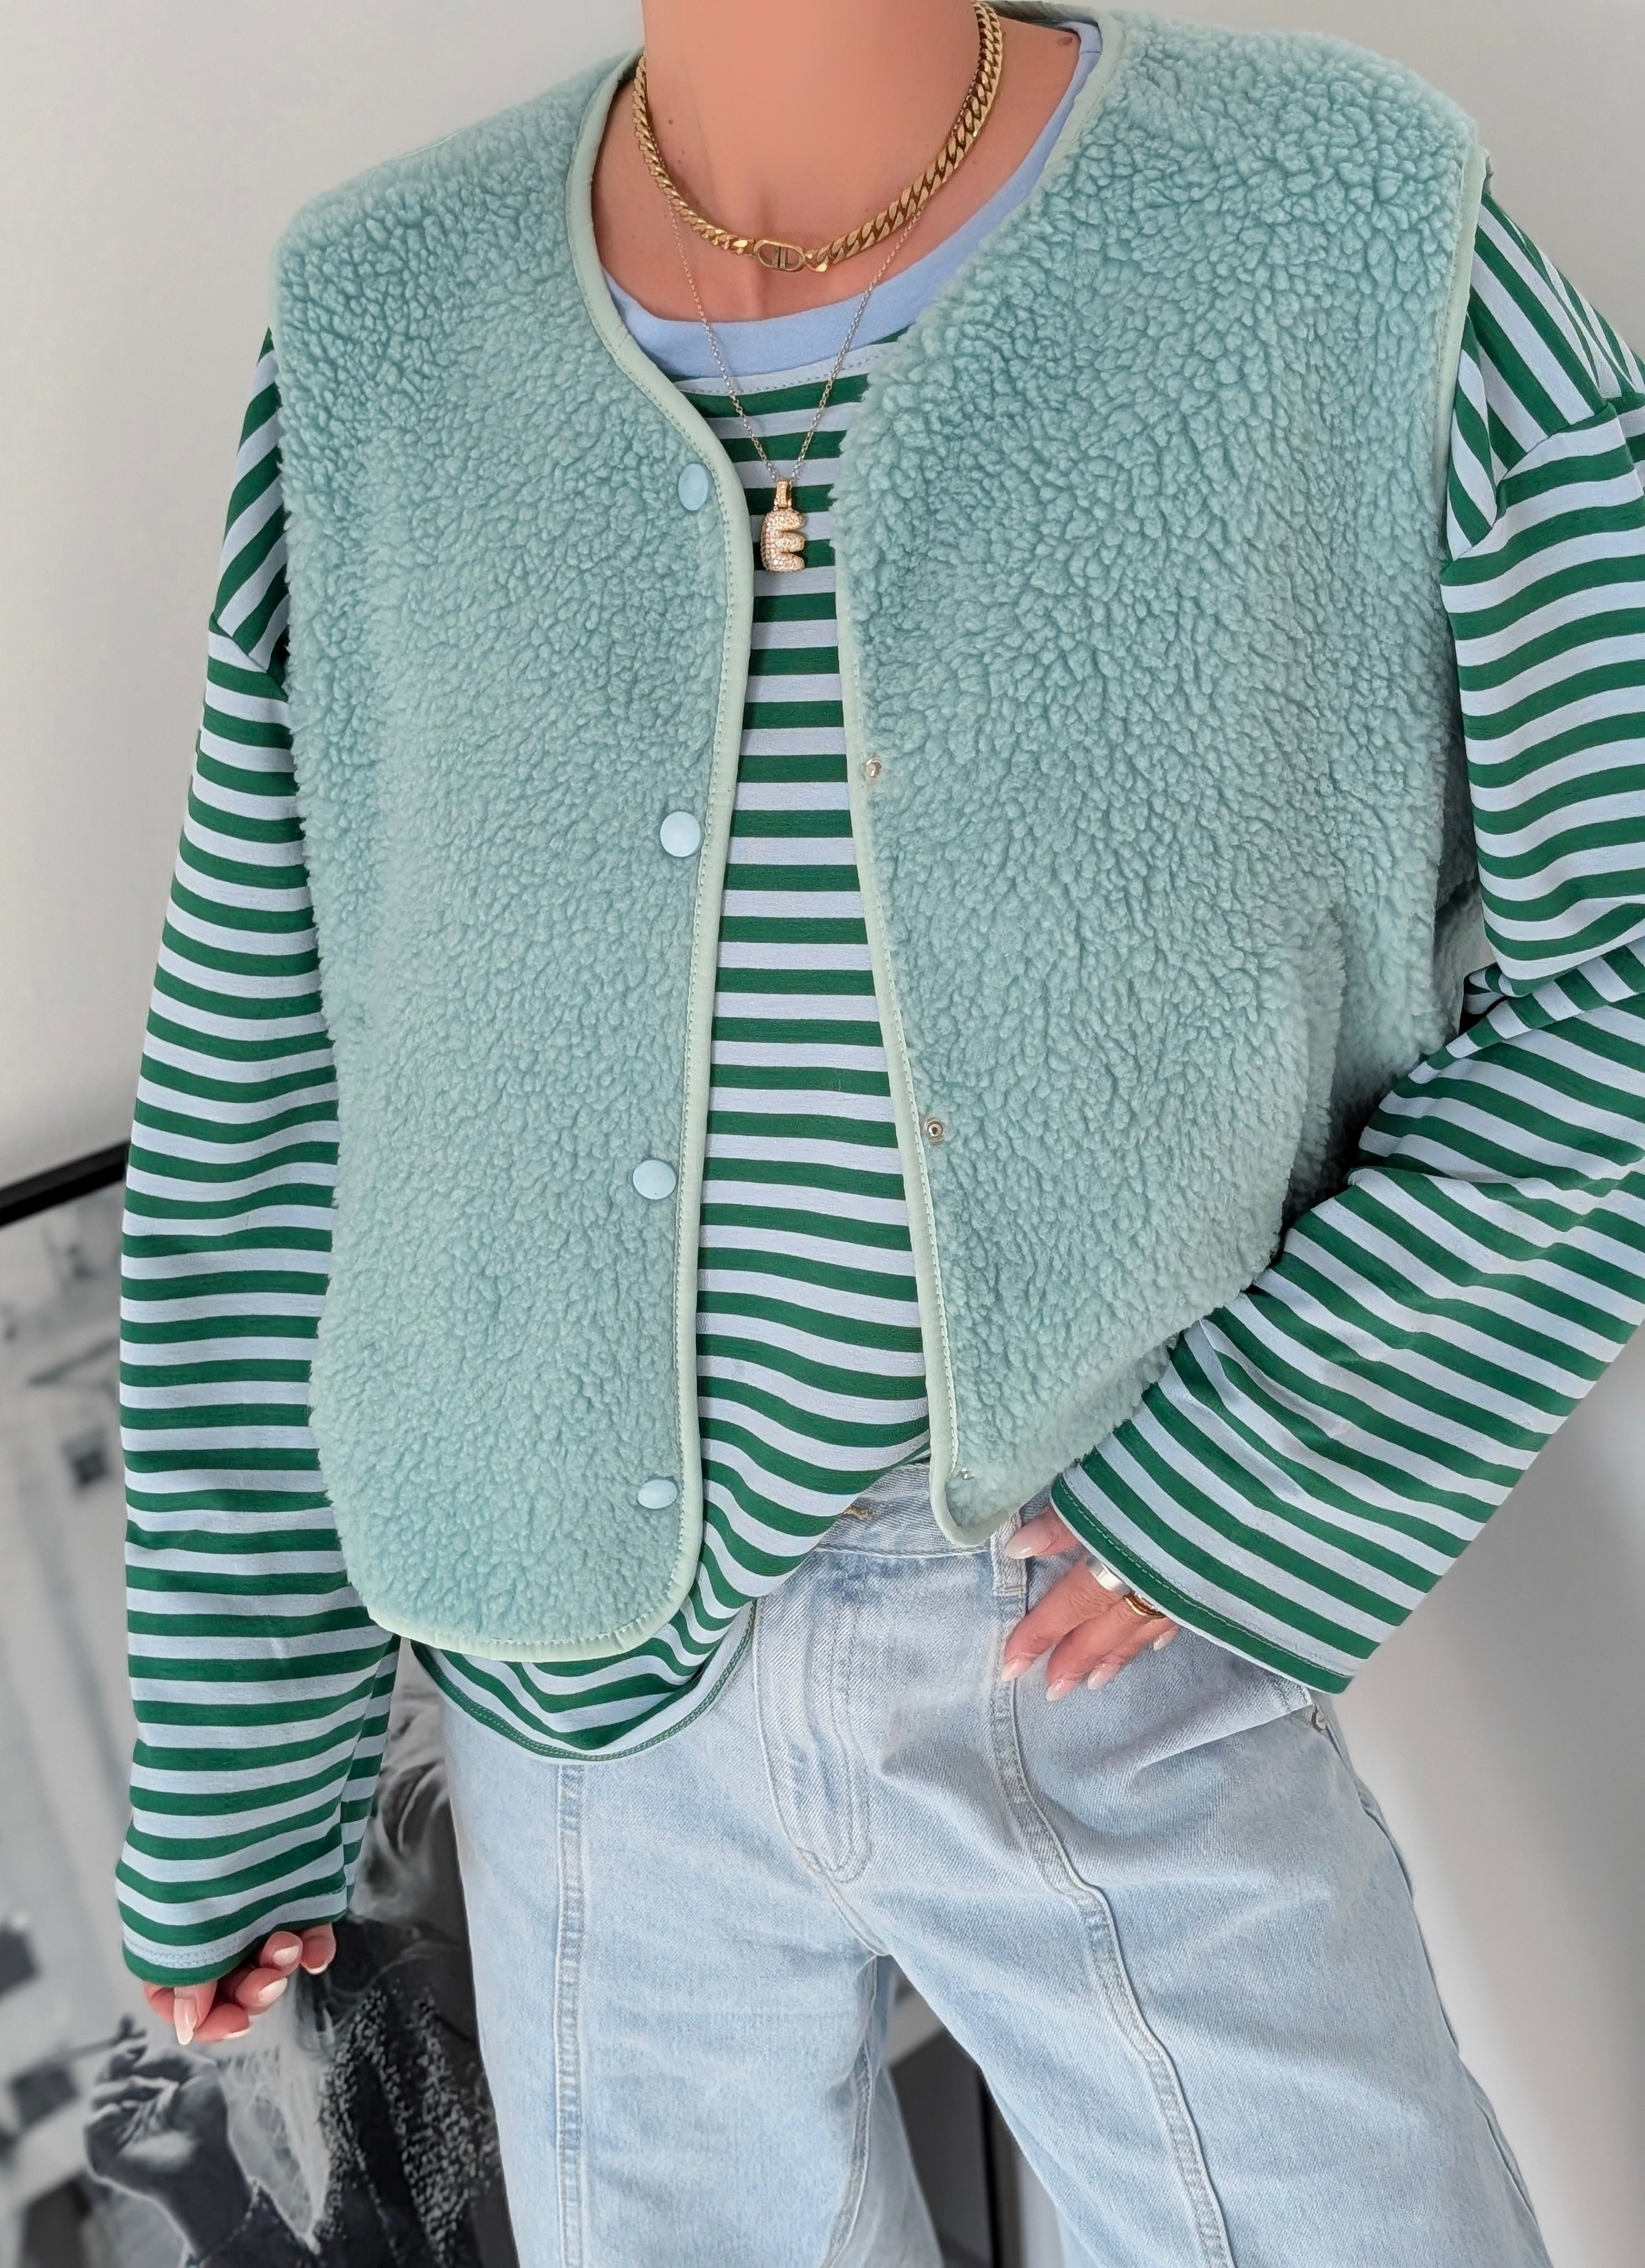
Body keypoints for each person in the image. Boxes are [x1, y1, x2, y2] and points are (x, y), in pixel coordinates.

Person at [114, 3, 1645, 2261]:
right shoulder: (378, 323)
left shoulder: (1347, 224)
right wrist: (239, 1737)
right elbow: (271, 1078)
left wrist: (1268, 1455)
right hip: (573, 1688)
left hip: (1098, 1612)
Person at [89, 1676, 515, 2265]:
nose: (375, 1805)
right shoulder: (390, 2082)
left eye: (387, 1742)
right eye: (341, 1847)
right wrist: (206, 2197)